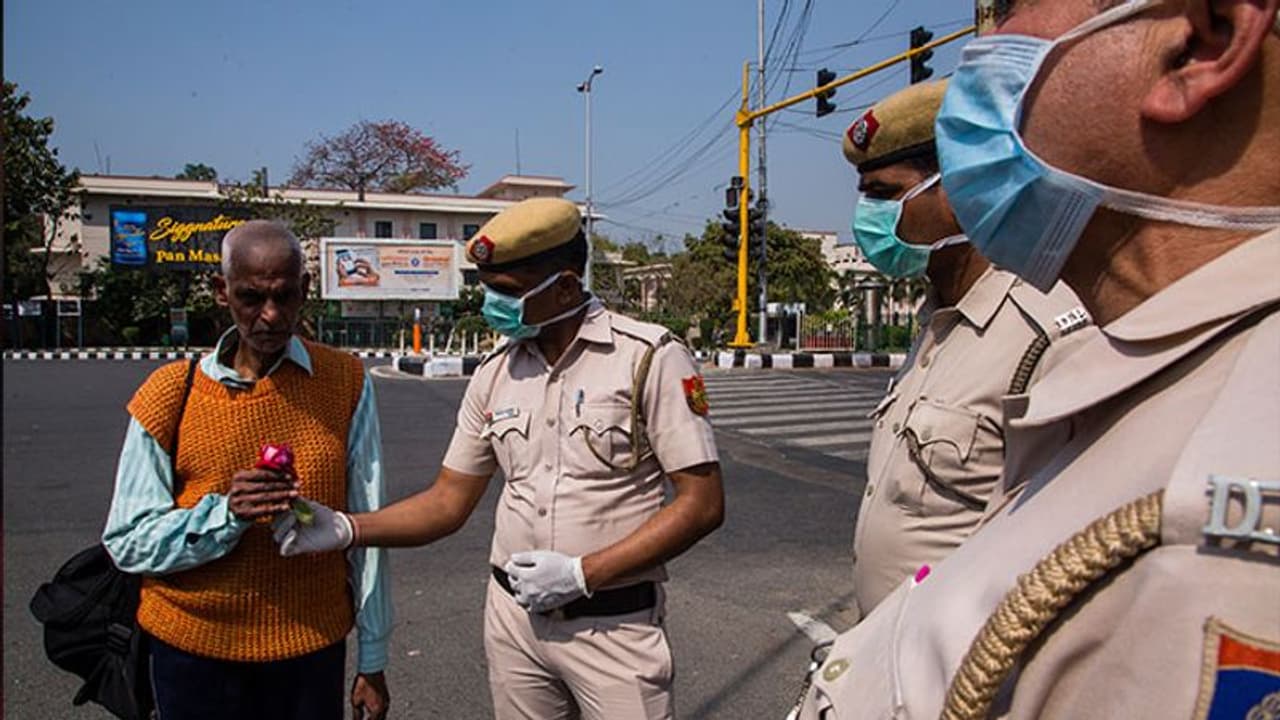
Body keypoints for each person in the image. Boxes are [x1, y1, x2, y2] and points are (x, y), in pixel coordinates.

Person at [799, 1, 1280, 717]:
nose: (986, 40)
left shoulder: (1225, 478)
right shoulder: (1150, 353)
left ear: (1200, 42)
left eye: (1019, 5)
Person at [275, 197, 725, 720]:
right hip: (515, 627)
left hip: (613, 628)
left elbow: (702, 504)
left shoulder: (648, 357)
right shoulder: (496, 372)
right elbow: (447, 501)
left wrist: (583, 574)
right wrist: (346, 529)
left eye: (506, 292)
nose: (491, 303)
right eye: (487, 287)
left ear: (564, 286)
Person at [102, 220, 392, 720]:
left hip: (309, 654)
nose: (270, 316)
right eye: (251, 298)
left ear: (305, 290)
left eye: (284, 296)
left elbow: (366, 527)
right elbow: (127, 540)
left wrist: (373, 657)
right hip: (191, 654)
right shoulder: (170, 393)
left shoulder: (345, 382)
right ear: (221, 292)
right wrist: (225, 515)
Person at [840, 79, 1087, 617]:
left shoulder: (1042, 332)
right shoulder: (937, 322)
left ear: (959, 187)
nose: (865, 216)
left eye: (883, 194)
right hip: (888, 664)